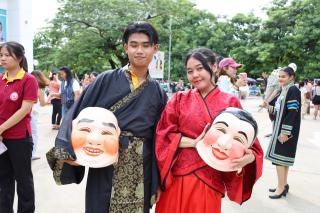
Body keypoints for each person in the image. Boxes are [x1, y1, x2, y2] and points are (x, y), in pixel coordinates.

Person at [46, 21, 167, 213]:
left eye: (146, 45)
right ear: (126, 48)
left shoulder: (158, 92)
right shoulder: (106, 79)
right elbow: (77, 115)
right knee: (100, 205)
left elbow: (160, 138)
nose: (140, 51)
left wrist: (157, 180)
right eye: (134, 45)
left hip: (141, 163)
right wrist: (68, 151)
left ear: (155, 48)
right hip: (104, 156)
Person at [155, 49, 263, 213]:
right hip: (177, 176)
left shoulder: (230, 101)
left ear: (213, 67)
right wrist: (193, 142)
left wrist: (248, 159)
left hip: (210, 178)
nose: (195, 75)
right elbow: (163, 134)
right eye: (190, 71)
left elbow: (250, 143)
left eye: (200, 68)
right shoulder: (179, 99)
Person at [0, 41, 38, 213]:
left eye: (7, 55)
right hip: (1, 138)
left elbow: (24, 109)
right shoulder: (1, 80)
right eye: (1, 55)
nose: (3, 58)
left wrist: (1, 128)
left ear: (19, 57)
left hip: (19, 139)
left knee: (23, 181)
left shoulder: (28, 80)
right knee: (3, 181)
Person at [265, 66, 301, 199]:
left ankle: (280, 188)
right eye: (279, 76)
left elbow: (292, 112)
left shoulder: (292, 90)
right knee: (282, 160)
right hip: (282, 129)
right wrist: (268, 107)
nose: (280, 79)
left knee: (280, 160)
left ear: (291, 77)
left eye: (283, 76)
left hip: (286, 131)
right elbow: (280, 111)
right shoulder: (285, 89)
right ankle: (283, 184)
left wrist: (285, 132)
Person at [30, 70, 49, 160]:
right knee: (34, 134)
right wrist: (50, 97)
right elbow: (42, 103)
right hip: (33, 114)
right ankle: (32, 154)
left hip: (26, 112)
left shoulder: (29, 86)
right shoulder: (39, 89)